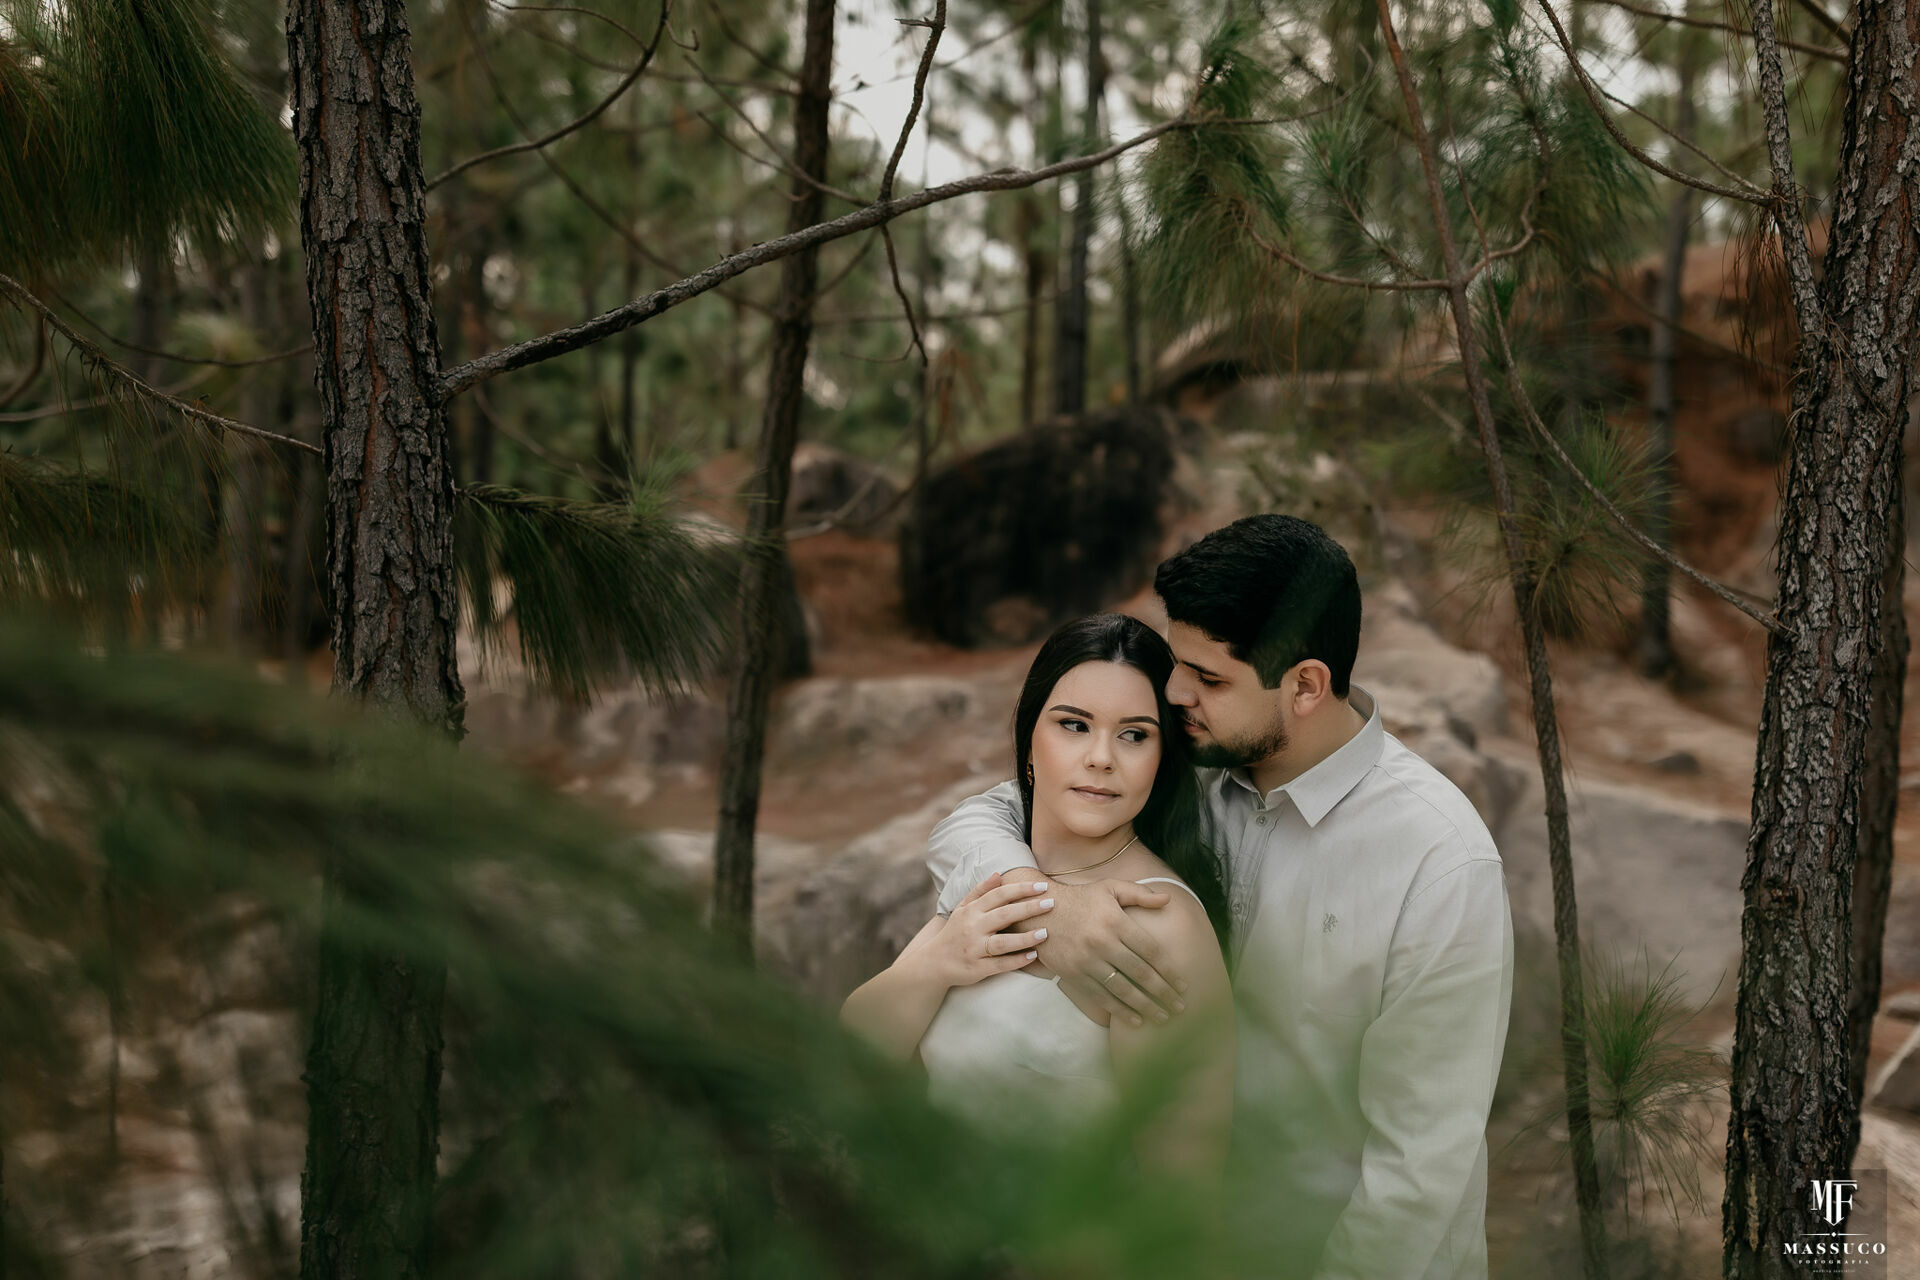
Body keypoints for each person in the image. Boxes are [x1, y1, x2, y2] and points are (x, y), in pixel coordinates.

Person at [927, 515, 1514, 1280]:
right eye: (1179, 665)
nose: (1175, 694)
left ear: (1305, 685)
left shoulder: (1439, 862)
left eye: (1209, 679)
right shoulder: (1187, 764)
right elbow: (978, 817)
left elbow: (1421, 1162)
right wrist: (1047, 908)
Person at [841, 613, 1236, 1167]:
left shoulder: (1154, 922)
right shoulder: (1001, 871)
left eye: (1134, 735)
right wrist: (938, 964)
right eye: (1074, 725)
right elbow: (852, 1056)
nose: (1100, 757)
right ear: (1029, 742)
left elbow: (1180, 1180)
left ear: (1162, 758)